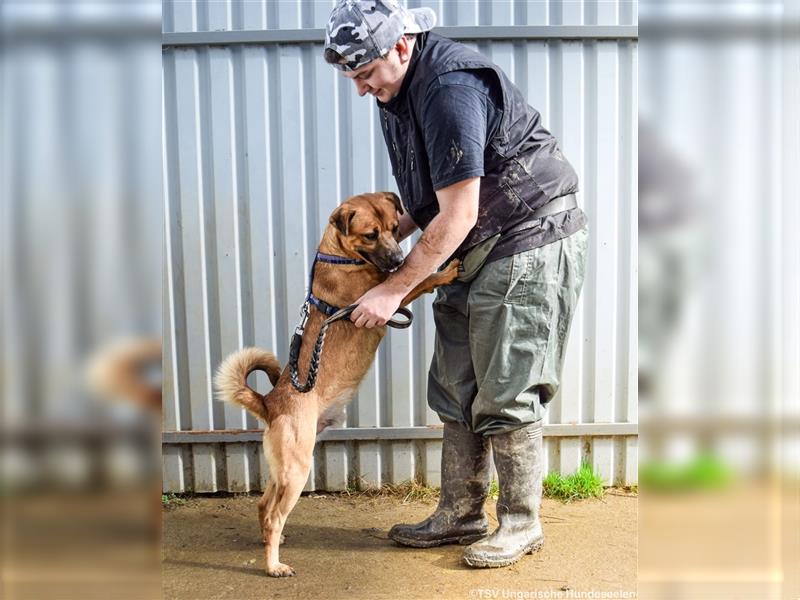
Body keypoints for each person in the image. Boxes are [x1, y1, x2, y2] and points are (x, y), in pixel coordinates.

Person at [323, 0, 588, 569]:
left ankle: (520, 523)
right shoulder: (398, 88)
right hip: (472, 244)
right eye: (353, 77)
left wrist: (394, 288)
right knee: (456, 384)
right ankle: (460, 512)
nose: (362, 89)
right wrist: (387, 245)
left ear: (400, 47)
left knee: (508, 387)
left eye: (365, 74)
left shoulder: (447, 87)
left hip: (526, 237)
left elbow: (459, 211)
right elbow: (433, 199)